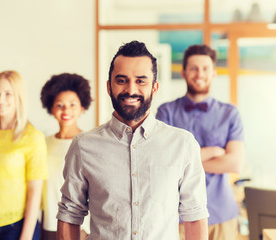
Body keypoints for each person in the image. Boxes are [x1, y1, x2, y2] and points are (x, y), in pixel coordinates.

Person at [56, 40, 209, 239]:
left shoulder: (183, 145)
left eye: (140, 81)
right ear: (109, 87)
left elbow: (195, 215)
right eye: (121, 80)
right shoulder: (83, 146)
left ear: (154, 88)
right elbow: (69, 214)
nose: (131, 89)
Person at [156, 44, 245, 240]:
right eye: (194, 68)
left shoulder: (230, 114)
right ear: (184, 73)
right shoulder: (166, 112)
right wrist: (213, 151)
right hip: (176, 216)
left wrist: (185, 163)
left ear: (214, 73)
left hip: (221, 214)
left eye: (205, 68)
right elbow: (163, 162)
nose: (199, 74)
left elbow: (234, 163)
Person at [0, 70, 47, 240]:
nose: (0, 100)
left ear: (19, 97)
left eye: (8, 94)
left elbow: (35, 191)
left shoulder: (32, 137)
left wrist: (26, 237)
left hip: (17, 226)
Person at [40, 73, 92, 240]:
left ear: (82, 107)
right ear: (51, 108)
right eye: (60, 105)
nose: (66, 110)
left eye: (72, 105)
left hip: (79, 227)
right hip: (46, 224)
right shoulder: (42, 143)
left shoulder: (89, 142)